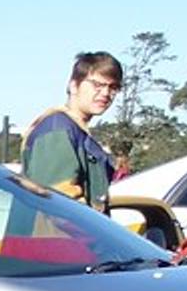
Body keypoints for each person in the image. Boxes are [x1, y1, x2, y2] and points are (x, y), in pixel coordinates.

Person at [21, 51, 123, 212]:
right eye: (97, 85)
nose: (105, 93)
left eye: (113, 87)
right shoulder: (57, 129)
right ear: (73, 85)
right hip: (56, 236)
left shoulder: (76, 131)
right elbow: (59, 205)